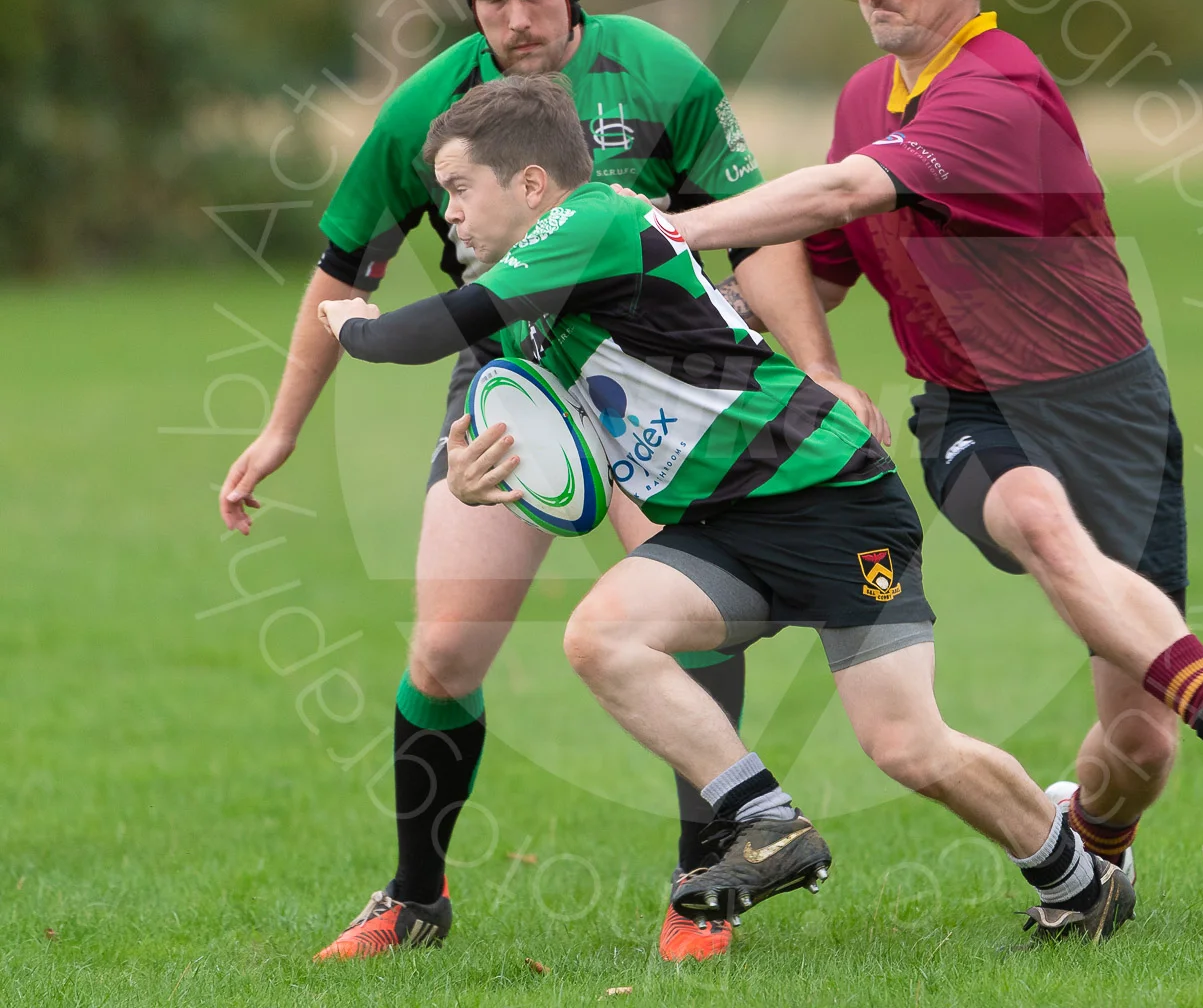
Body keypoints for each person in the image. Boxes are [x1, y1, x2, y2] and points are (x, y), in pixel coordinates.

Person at [216, 0, 881, 962]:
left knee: (687, 621)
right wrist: (283, 427)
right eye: (492, 0)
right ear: (471, 4)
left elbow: (757, 240)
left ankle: (702, 886)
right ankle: (414, 898)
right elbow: (345, 270)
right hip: (512, 387)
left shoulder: (660, 74)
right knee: (444, 650)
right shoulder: (428, 111)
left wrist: (820, 372)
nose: (516, 19)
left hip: (662, 389)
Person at [321, 73, 1139, 944]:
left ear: (529, 183)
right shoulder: (533, 305)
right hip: (727, 525)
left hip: (829, 499)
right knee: (601, 636)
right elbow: (557, 438)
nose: (447, 213)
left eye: (458, 187)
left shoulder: (594, 221)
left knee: (907, 744)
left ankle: (1079, 882)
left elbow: (427, 329)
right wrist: (481, 472)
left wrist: (354, 325)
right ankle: (768, 821)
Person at [672, 0, 1203, 885]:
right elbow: (815, 266)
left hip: (1109, 409)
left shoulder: (998, 90)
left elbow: (841, 193)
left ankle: (1095, 838)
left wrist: (674, 228)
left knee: (1137, 751)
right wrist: (752, 337)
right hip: (972, 408)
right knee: (1036, 516)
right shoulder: (864, 95)